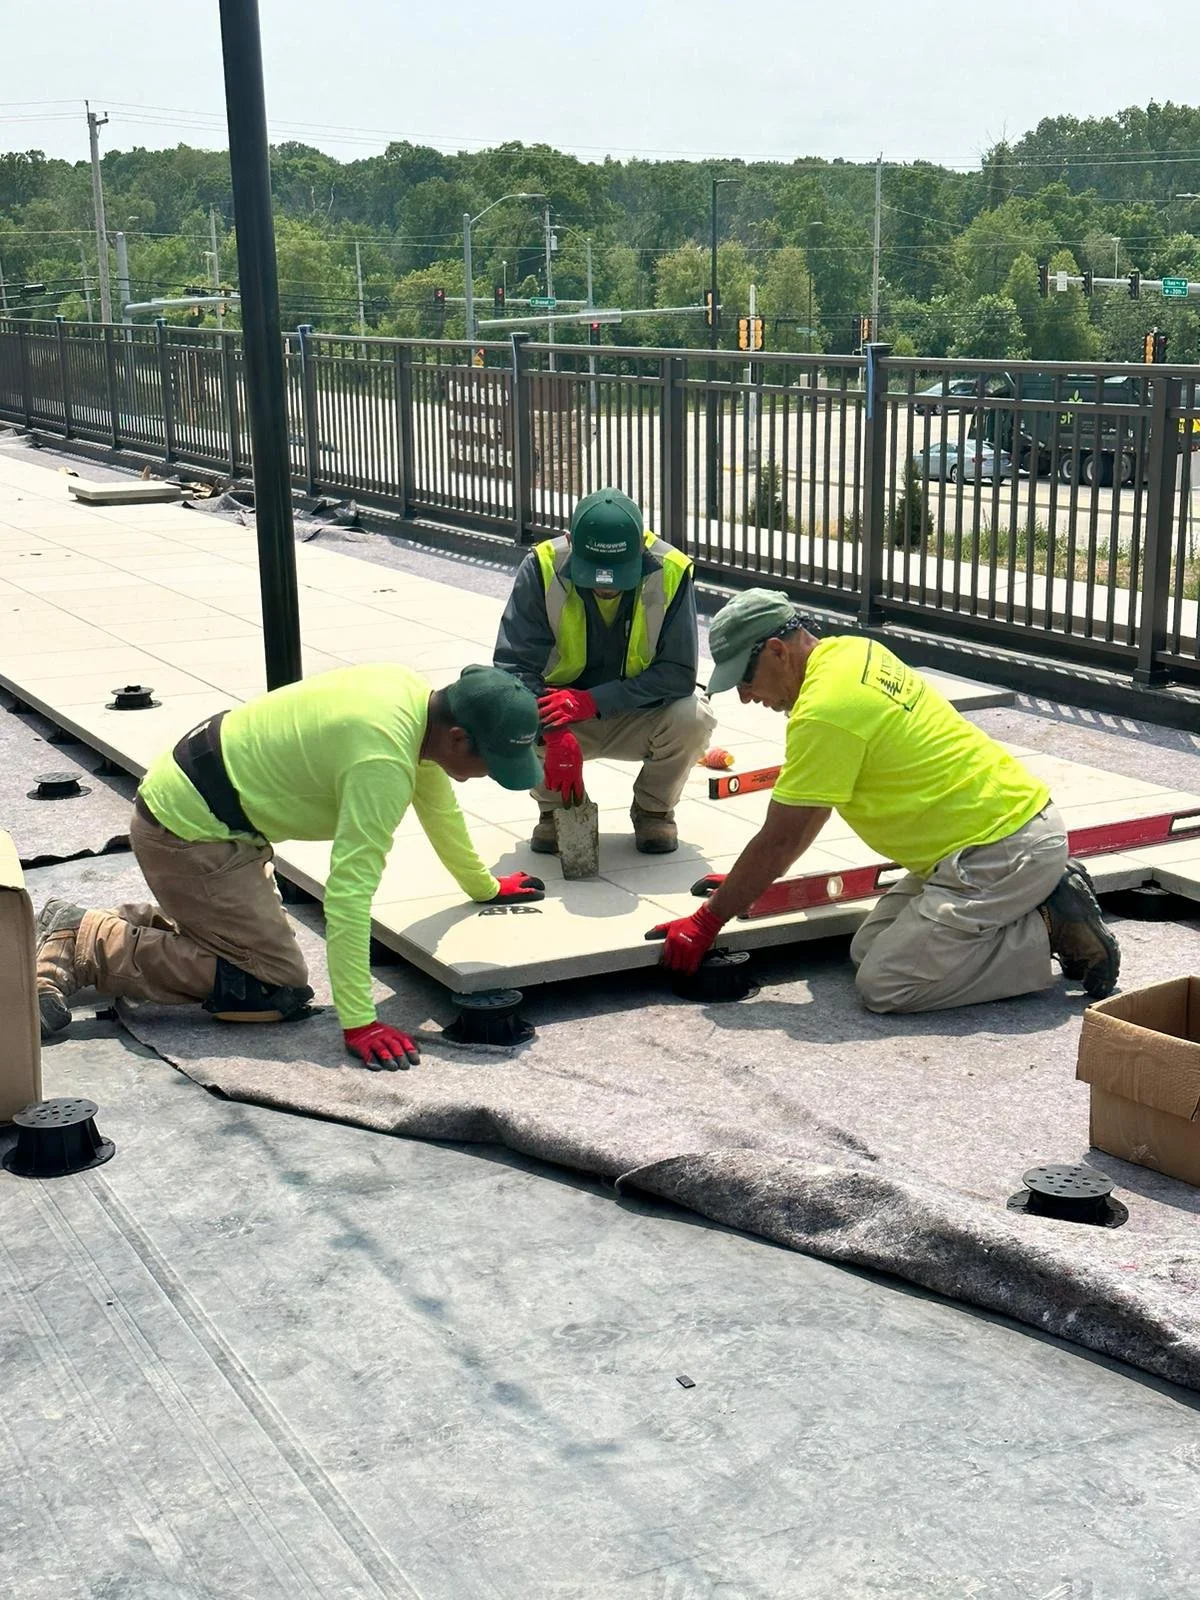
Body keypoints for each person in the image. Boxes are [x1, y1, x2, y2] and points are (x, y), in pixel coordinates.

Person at [35, 665, 547, 1069]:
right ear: (457, 738)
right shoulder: (383, 761)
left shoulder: (413, 701)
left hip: (211, 815)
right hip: (189, 835)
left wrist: (483, 887)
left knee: (251, 959)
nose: (485, 777)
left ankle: (125, 926)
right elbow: (349, 894)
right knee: (271, 987)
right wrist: (360, 1022)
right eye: (490, 765)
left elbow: (438, 808)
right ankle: (89, 943)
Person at [648, 589, 1120, 1011]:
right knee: (868, 947)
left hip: (1000, 850)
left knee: (887, 984)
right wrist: (745, 881)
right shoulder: (853, 653)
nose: (748, 697)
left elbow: (781, 839)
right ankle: (1027, 905)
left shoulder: (824, 711)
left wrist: (708, 920)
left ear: (776, 652)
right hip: (991, 834)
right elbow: (809, 813)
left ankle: (1050, 924)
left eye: (745, 680)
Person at [494, 487, 715, 855]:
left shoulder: (671, 570)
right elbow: (512, 667)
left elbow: (678, 673)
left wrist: (593, 701)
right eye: (595, 575)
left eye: (616, 576)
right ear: (573, 545)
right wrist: (553, 729)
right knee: (508, 712)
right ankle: (556, 810)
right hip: (561, 718)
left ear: (641, 553)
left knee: (693, 717)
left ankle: (653, 810)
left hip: (637, 715)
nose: (604, 586)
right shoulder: (543, 565)